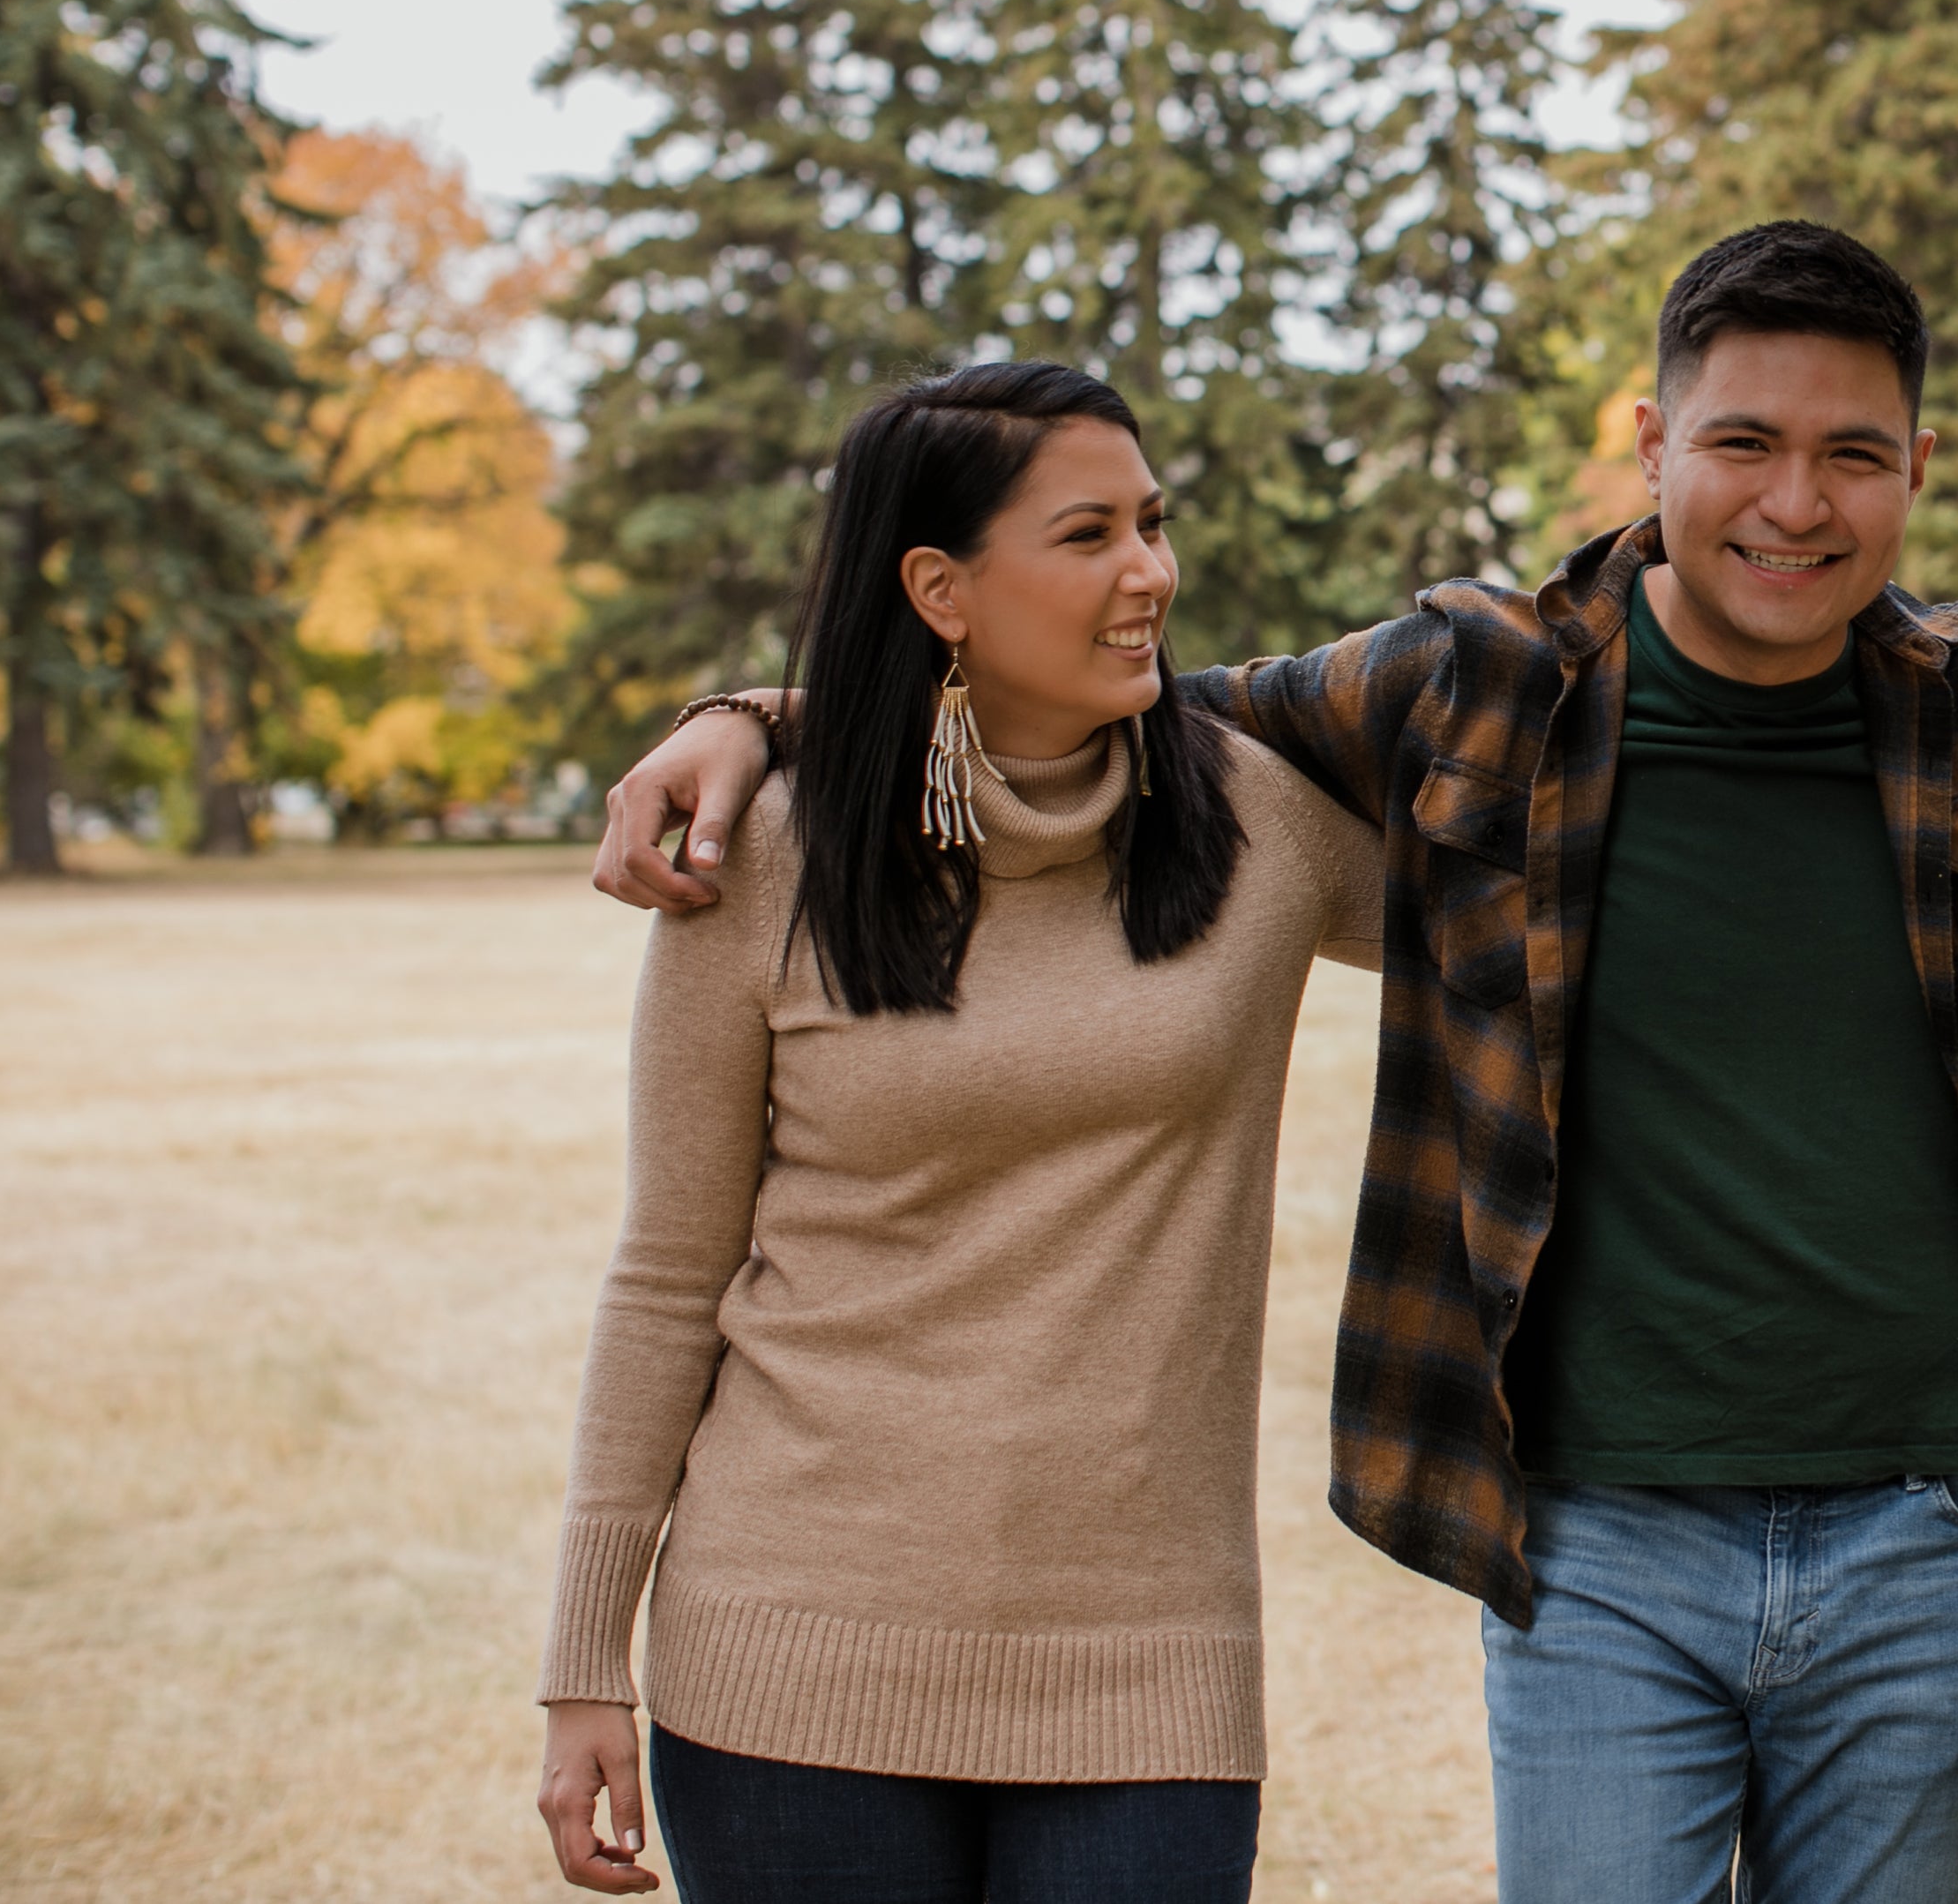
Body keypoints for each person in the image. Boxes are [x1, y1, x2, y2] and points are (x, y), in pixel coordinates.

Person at [589, 226, 1958, 1904]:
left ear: (1914, 468)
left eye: (1852, 455)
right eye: (1744, 442)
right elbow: (1088, 692)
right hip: (1591, 1543)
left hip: (1932, 1530)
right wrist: (761, 715)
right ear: (1656, 438)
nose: (1795, 500)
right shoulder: (1469, 688)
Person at [532, 363, 1381, 1902]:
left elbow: (1541, 904)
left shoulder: (1263, 826)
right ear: (940, 585)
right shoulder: (763, 854)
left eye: (1153, 524)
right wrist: (585, 1657)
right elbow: (670, 1275)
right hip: (787, 1652)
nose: (1152, 574)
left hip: (1148, 1664)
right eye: (1088, 536)